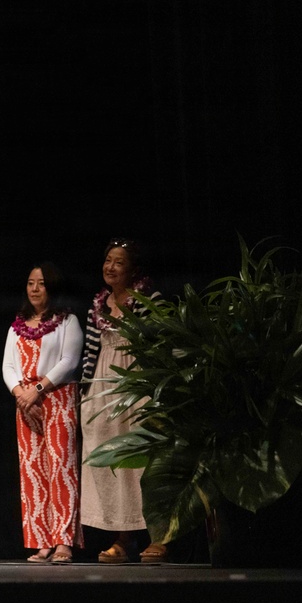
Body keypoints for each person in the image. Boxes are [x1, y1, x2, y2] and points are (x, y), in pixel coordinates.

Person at [79, 237, 167, 564]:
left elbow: (161, 341)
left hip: (137, 382)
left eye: (119, 262)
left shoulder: (147, 299)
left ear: (133, 270)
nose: (110, 267)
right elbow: (91, 351)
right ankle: (123, 539)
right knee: (113, 461)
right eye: (108, 261)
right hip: (104, 385)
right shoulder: (99, 304)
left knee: (144, 461)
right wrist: (87, 392)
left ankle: (160, 536)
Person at [2, 261, 83, 564]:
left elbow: (69, 361)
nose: (35, 289)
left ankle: (63, 541)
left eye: (42, 283)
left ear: (52, 287)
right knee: (33, 473)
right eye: (31, 283)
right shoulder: (18, 324)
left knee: (61, 469)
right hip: (26, 403)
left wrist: (38, 391)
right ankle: (42, 541)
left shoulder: (67, 321)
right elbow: (8, 366)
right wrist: (22, 395)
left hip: (57, 398)